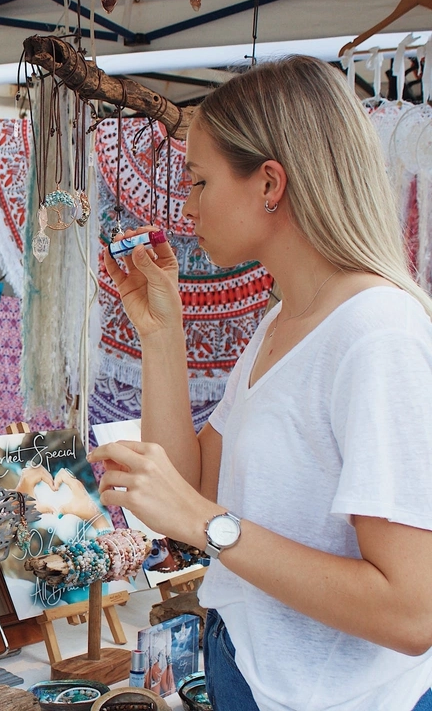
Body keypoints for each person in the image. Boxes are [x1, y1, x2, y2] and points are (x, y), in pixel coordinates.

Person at [90, 55, 432, 711]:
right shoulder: (285, 321)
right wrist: (163, 334)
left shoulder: (377, 333)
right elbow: (194, 489)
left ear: (269, 184)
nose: (187, 209)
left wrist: (209, 524)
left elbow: (412, 611)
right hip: (251, 675)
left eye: (199, 181)